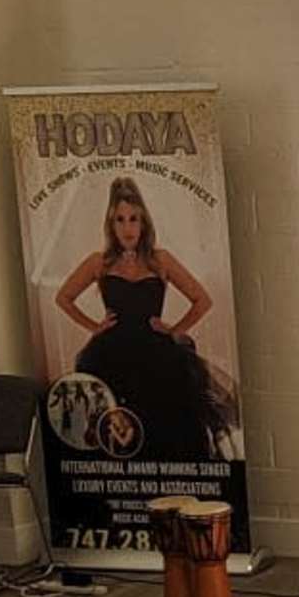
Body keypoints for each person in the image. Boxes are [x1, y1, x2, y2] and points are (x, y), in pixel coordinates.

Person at [52, 174, 231, 460]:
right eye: (119, 219)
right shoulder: (99, 262)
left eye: (133, 218)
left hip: (157, 357)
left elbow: (202, 300)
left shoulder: (161, 260)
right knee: (116, 430)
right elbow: (63, 297)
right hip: (110, 357)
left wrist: (176, 331)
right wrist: (94, 327)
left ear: (144, 221)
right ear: (110, 225)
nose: (127, 227)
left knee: (167, 427)